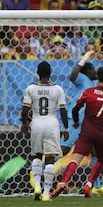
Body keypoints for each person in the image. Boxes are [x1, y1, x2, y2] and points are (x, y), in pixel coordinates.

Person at [50, 66, 103, 199]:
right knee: (100, 159)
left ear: (98, 77)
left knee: (75, 158)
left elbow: (76, 109)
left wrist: (76, 121)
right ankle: (89, 185)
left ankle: (63, 182)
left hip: (87, 131)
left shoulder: (88, 91)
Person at [60, 51, 103, 196]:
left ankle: (96, 185)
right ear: (86, 72)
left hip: (87, 122)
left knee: (95, 153)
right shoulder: (82, 79)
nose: (95, 72)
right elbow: (72, 76)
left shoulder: (91, 84)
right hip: (76, 120)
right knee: (64, 150)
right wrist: (84, 59)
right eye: (93, 70)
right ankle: (40, 169)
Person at [20, 61, 69, 201]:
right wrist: (66, 128)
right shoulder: (58, 89)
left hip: (36, 123)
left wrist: (24, 124)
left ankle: (37, 187)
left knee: (36, 155)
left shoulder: (31, 88)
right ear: (50, 73)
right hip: (51, 123)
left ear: (37, 72)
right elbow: (63, 110)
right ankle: (46, 194)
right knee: (50, 158)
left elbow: (25, 110)